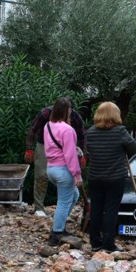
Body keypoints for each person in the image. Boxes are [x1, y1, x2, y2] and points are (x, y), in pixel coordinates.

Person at [84, 102, 136, 252]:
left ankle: (95, 243)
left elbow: (88, 152)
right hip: (115, 177)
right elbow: (133, 148)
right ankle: (108, 244)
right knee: (111, 210)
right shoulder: (120, 131)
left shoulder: (91, 132)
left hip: (95, 176)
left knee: (96, 209)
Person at [25, 100, 86, 217]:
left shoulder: (76, 117)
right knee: (41, 175)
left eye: (70, 110)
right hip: (44, 144)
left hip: (67, 146)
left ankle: (63, 211)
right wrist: (29, 148)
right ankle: (39, 207)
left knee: (67, 177)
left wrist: (83, 156)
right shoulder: (45, 113)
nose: (69, 112)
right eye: (67, 110)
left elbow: (82, 135)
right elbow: (33, 129)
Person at [43, 97, 84, 246]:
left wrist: (75, 148)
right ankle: (57, 233)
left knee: (74, 195)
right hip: (64, 170)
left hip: (51, 169)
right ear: (67, 111)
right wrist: (77, 175)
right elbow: (69, 155)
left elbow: (58, 147)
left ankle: (59, 225)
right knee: (63, 202)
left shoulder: (48, 126)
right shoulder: (68, 129)